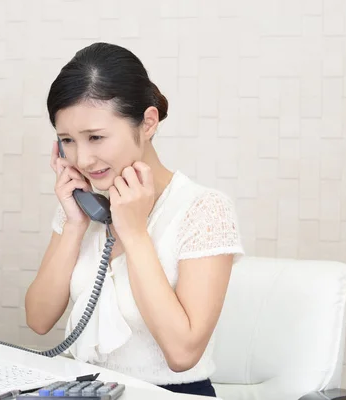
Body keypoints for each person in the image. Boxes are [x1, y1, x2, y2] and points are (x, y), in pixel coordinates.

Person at [24, 42, 244, 397]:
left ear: (148, 122)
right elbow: (38, 319)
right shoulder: (83, 205)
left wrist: (136, 234)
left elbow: (182, 353)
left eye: (96, 137)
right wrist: (76, 225)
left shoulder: (204, 209)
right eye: (67, 140)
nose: (82, 158)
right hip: (88, 391)